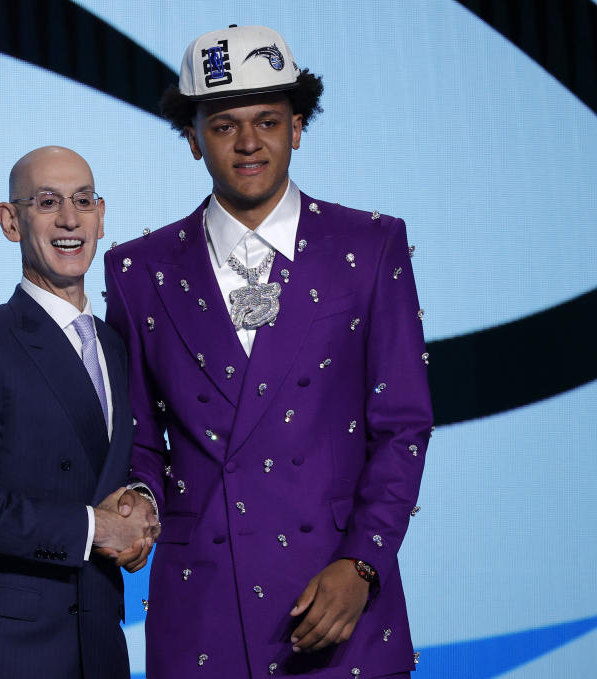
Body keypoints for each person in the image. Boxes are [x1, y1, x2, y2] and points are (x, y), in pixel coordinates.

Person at [104, 25, 432, 679]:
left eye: (268, 121)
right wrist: (136, 499)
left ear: (298, 127)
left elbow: (402, 425)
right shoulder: (139, 269)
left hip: (338, 603)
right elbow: (138, 437)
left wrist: (363, 563)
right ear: (193, 137)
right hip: (201, 609)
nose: (249, 142)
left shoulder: (368, 248)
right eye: (224, 125)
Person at [0, 146, 158, 679]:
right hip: (1, 650)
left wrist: (140, 508)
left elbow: (128, 460)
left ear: (101, 216)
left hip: (97, 641)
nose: (69, 220)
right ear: (11, 222)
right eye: (47, 202)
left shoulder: (117, 348)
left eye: (82, 201)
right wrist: (92, 529)